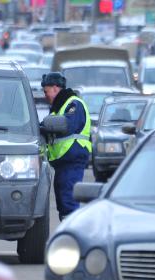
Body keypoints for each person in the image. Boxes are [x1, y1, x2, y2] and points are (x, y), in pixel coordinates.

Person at [41, 72, 92, 221]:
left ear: (56, 88)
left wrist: (45, 127)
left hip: (72, 160)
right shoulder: (59, 106)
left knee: (69, 201)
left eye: (46, 91)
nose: (45, 95)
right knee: (63, 202)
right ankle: (67, 229)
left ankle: (72, 234)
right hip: (63, 162)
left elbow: (66, 125)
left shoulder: (73, 103)